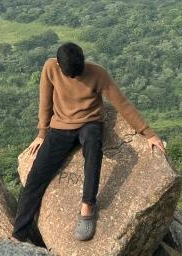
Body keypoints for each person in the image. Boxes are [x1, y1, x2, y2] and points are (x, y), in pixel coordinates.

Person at [11, 43, 166, 243]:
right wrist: (42, 133)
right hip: (61, 127)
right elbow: (45, 101)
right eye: (70, 75)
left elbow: (122, 104)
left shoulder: (98, 73)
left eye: (79, 72)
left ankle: (87, 206)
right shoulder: (50, 67)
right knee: (36, 177)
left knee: (93, 149)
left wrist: (149, 133)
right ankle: (18, 236)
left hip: (89, 124)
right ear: (58, 65)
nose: (76, 77)